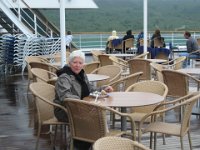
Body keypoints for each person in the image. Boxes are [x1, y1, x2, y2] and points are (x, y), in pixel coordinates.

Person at [54, 50, 113, 150]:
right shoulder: (64, 77)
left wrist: (103, 88)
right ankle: (88, 144)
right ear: (69, 63)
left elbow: (90, 89)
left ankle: (97, 143)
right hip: (66, 110)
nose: (77, 65)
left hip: (81, 107)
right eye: (75, 62)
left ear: (83, 65)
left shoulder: (81, 74)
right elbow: (65, 96)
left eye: (80, 63)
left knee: (99, 116)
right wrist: (83, 103)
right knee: (94, 118)